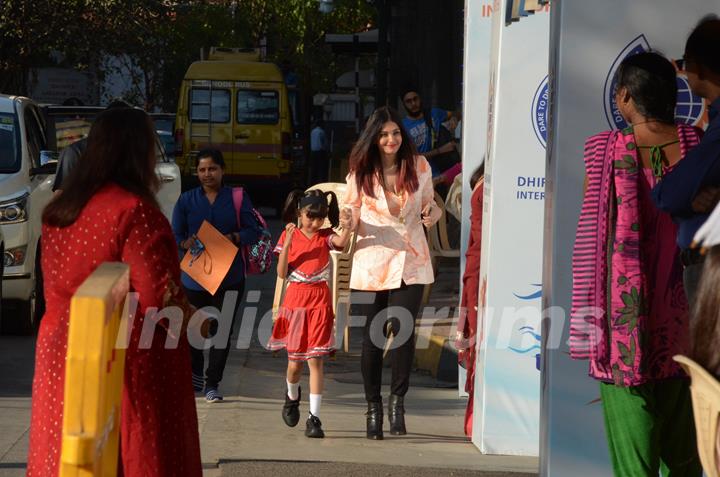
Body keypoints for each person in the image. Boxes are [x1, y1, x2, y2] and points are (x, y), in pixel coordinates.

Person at [28, 107, 202, 476]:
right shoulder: (134, 210)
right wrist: (197, 320)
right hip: (120, 358)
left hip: (63, 349)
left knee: (68, 453)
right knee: (123, 454)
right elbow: (160, 298)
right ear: (138, 153)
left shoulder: (59, 211)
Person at [570, 52, 703, 476]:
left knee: (634, 466)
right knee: (685, 460)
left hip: (623, 331)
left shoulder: (603, 151)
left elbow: (592, 239)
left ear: (624, 96)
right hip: (689, 327)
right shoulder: (698, 148)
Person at [344, 106, 442, 440]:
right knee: (373, 337)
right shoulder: (361, 173)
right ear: (374, 137)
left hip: (412, 261)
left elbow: (432, 203)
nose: (391, 139)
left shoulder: (419, 166)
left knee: (402, 332)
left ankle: (397, 401)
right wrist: (346, 225)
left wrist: (434, 213)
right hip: (373, 262)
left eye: (396, 133)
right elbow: (352, 213)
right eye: (384, 134)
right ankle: (373, 407)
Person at [171, 148, 261, 402]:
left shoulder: (237, 198)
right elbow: (175, 234)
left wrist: (233, 237)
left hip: (230, 276)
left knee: (222, 331)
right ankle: (196, 375)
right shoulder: (186, 200)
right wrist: (185, 243)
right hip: (195, 277)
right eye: (202, 170)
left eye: (212, 169)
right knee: (195, 329)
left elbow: (253, 232)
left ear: (222, 170)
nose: (207, 174)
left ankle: (213, 383)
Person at [268, 189, 353, 438]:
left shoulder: (326, 236)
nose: (314, 222)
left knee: (316, 360)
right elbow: (282, 274)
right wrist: (289, 244)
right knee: (294, 364)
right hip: (295, 300)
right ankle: (291, 396)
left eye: (320, 218)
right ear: (299, 213)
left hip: (319, 300)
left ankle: (314, 418)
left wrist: (347, 227)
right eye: (310, 216)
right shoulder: (287, 234)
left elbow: (341, 243)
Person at [651, 16, 720, 310]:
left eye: (684, 63)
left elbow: (669, 194)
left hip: (710, 269)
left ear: (699, 65)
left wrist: (693, 200)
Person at [455, 163, 484, 439]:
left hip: (483, 267)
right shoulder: (487, 176)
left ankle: (478, 414)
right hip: (478, 267)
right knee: (478, 339)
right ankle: (476, 414)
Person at [52, 99, 132, 193]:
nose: (77, 119)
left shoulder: (136, 154)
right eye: (72, 115)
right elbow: (63, 196)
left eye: (81, 115)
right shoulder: (75, 151)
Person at [400, 86, 458, 177]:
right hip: (419, 176)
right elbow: (412, 158)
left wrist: (454, 119)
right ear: (404, 104)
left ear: (420, 99)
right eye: (409, 101)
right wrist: (440, 150)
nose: (413, 103)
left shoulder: (433, 113)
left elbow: (456, 114)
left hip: (442, 171)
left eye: (415, 99)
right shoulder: (402, 127)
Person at [309, 119, 329, 185]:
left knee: (313, 168)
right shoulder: (321, 132)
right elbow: (325, 143)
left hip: (313, 152)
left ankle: (312, 182)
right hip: (320, 152)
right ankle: (320, 182)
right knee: (321, 168)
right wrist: (327, 150)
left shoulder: (312, 131)